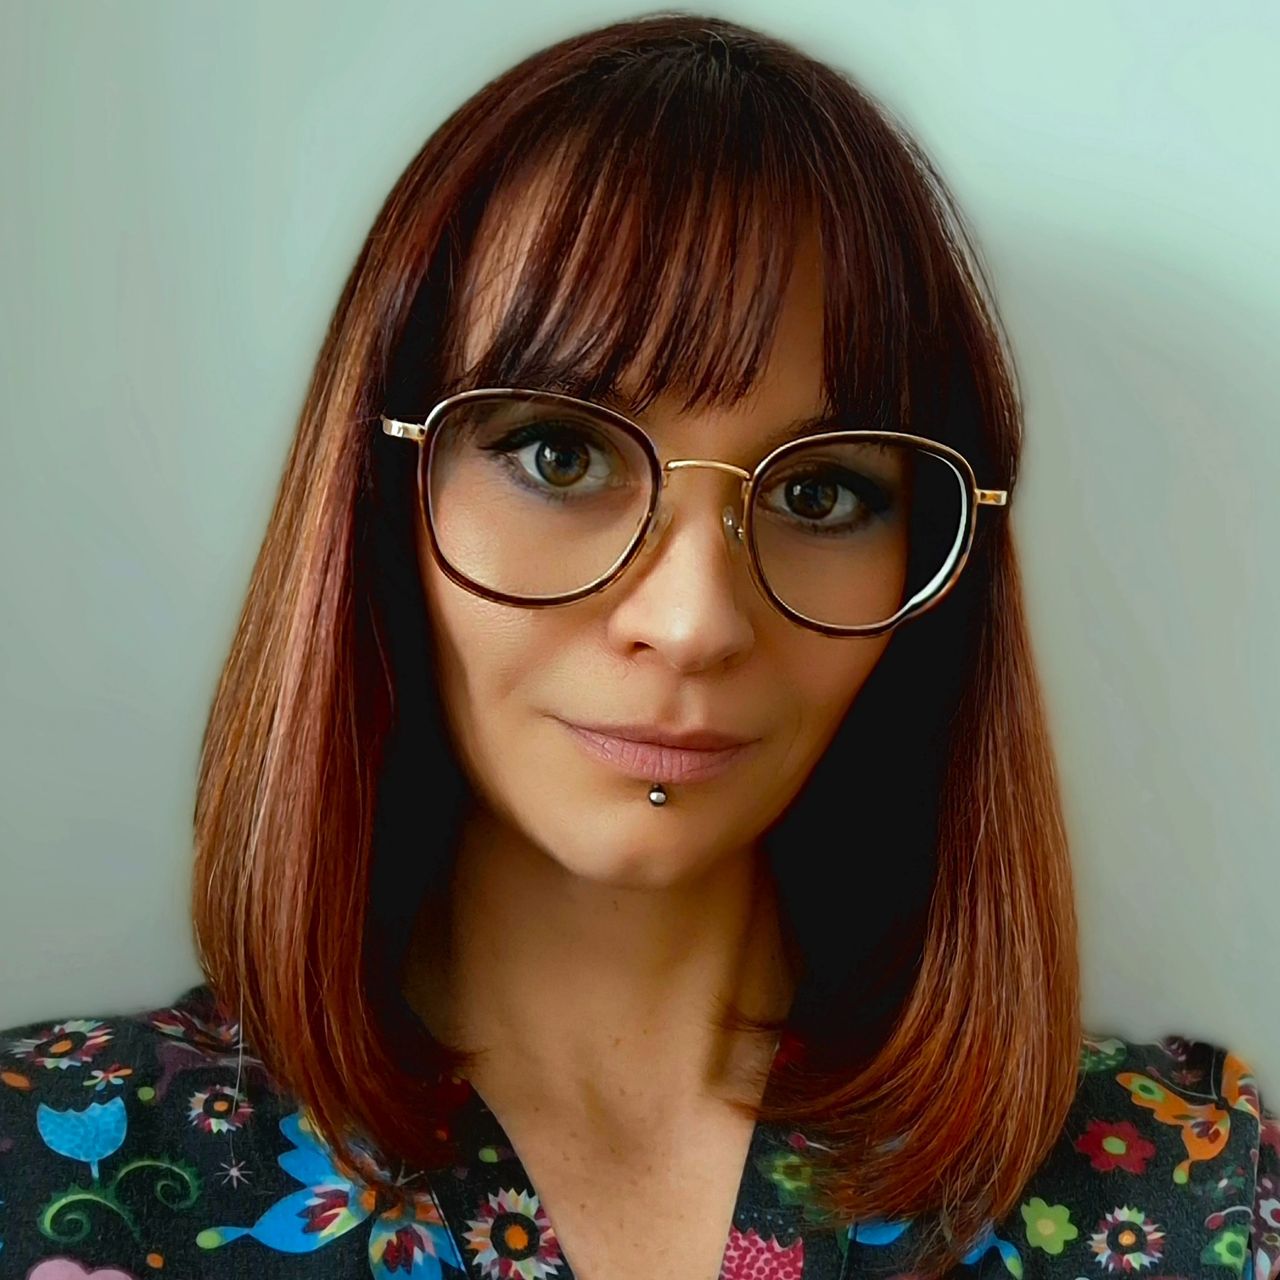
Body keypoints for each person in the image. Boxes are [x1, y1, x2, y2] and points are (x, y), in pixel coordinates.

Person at [1, 11, 1276, 1280]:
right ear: (385, 491)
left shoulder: (1182, 1200)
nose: (693, 621)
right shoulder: (53, 1171)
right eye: (560, 455)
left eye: (820, 491)